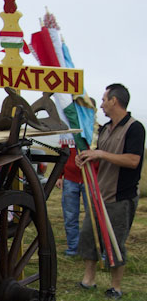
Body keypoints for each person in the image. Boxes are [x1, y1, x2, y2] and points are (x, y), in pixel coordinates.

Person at [77, 83, 144, 299]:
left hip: (120, 197)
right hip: (98, 194)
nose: (102, 105)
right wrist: (87, 157)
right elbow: (99, 155)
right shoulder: (104, 128)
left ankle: (116, 287)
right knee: (89, 236)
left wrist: (101, 154)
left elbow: (133, 160)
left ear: (114, 101)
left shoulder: (135, 128)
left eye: (104, 100)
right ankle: (89, 280)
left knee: (115, 242)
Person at [55, 98, 95, 257]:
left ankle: (92, 248)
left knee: (92, 216)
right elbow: (63, 153)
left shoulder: (95, 132)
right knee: (70, 216)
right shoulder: (70, 131)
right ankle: (73, 248)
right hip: (70, 179)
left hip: (90, 179)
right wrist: (60, 175)